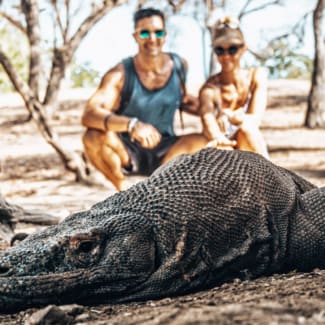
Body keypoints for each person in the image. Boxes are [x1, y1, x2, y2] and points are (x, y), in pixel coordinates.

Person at [81, 8, 208, 191]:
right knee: (92, 136)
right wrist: (133, 125)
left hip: (167, 148)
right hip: (127, 149)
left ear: (165, 34)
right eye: (145, 32)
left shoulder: (180, 65)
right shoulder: (120, 74)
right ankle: (122, 190)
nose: (152, 38)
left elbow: (184, 100)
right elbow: (89, 114)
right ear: (135, 36)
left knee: (206, 142)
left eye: (158, 32)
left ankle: (167, 188)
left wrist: (216, 112)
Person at [199, 16, 269, 158]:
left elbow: (255, 118)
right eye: (220, 50)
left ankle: (274, 178)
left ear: (243, 48)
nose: (226, 56)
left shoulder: (256, 76)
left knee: (247, 130)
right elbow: (207, 119)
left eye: (232, 49)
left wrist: (231, 116)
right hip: (222, 146)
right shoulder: (209, 88)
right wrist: (218, 137)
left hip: (249, 143)